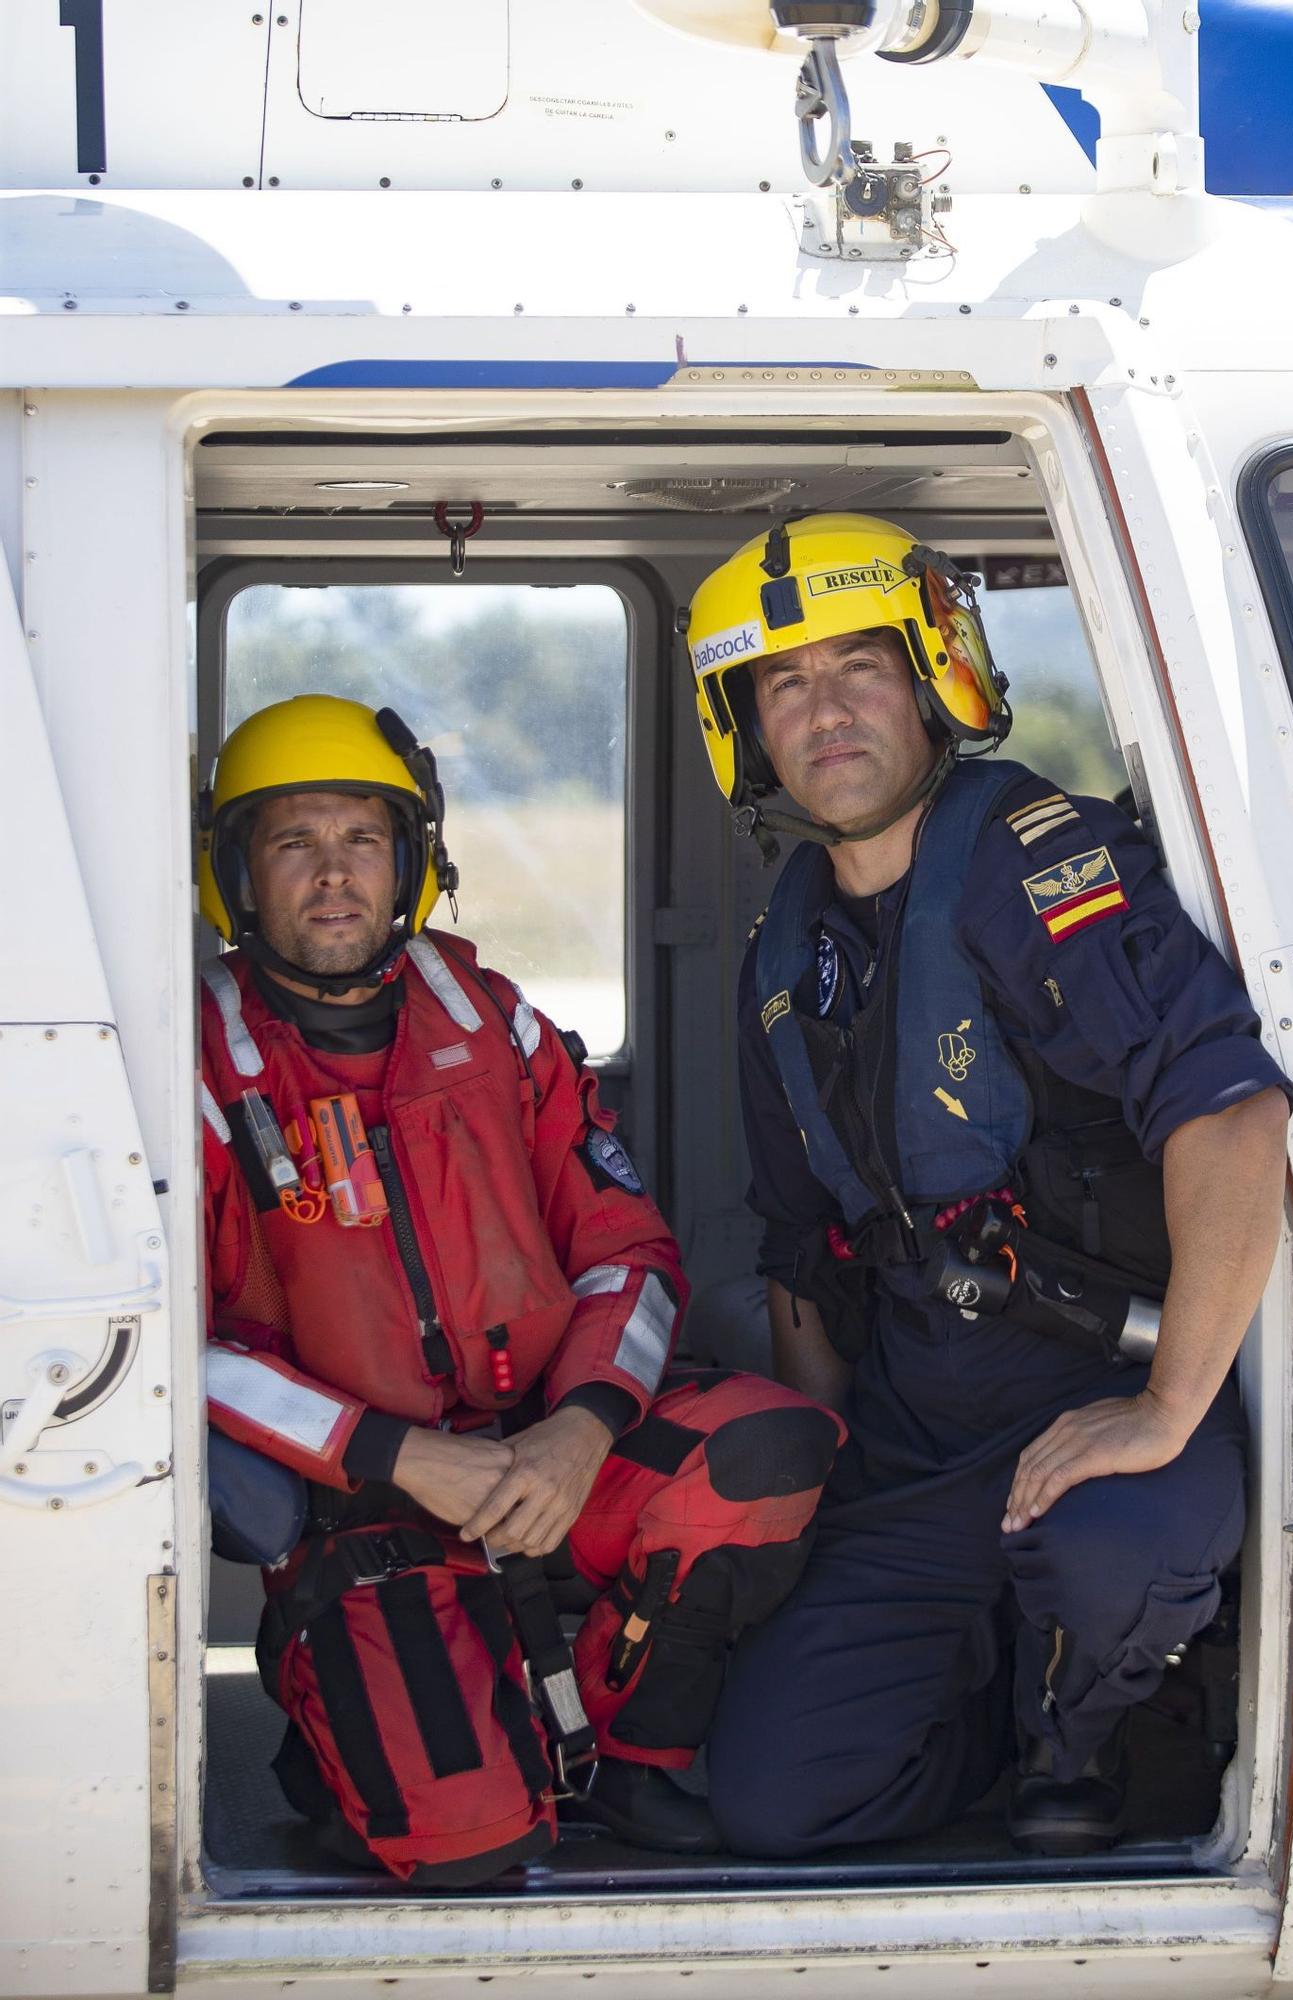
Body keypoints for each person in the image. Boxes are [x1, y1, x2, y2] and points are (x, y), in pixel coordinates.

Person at [682, 513, 1292, 1857]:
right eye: (784, 683)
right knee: (777, 1803)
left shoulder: (1036, 867)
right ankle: (993, 1712)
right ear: (749, 725)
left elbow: (1232, 1112)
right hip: (915, 1446)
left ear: (932, 677)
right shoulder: (787, 954)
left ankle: (1081, 1737)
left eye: (858, 667)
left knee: (1107, 1546)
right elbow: (804, 1250)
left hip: (1103, 1405)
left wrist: (1165, 1407)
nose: (825, 711)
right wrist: (811, 1482)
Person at [197, 694, 842, 1886]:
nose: (333, 876)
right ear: (234, 869)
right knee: (466, 1851)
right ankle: (345, 1723)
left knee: (767, 1449)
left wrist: (578, 1429)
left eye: (363, 840)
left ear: (412, 862)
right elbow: (176, 1347)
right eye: (293, 843)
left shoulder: (490, 1018)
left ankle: (631, 1750)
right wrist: (395, 1452)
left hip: (550, 1441)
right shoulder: (199, 1067)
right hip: (368, 1498)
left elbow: (628, 1251)